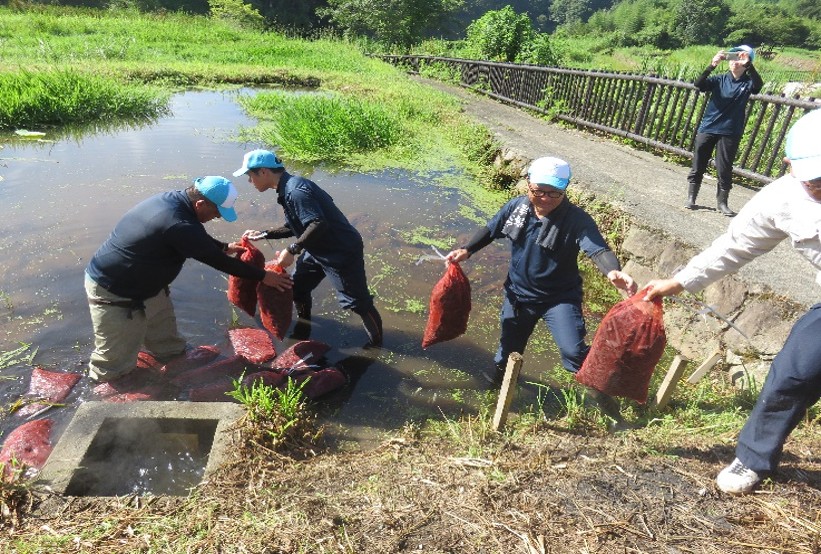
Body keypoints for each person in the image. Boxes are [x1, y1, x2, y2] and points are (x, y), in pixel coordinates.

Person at [645, 108, 821, 494]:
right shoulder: (781, 199)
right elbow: (735, 246)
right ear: (790, 166)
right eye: (818, 183)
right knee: (794, 371)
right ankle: (753, 458)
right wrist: (679, 281)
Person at [445, 157, 637, 409]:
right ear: (528, 185)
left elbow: (597, 249)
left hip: (559, 299)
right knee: (507, 353)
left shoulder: (576, 219)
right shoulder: (516, 209)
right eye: (538, 191)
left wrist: (612, 271)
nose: (545, 198)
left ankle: (607, 403)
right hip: (518, 296)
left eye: (554, 193)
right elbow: (492, 229)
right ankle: (497, 395)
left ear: (565, 189)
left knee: (573, 353)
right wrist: (467, 249)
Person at [85, 176, 292, 383]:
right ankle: (103, 395)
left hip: (150, 287)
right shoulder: (176, 222)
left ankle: (173, 372)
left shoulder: (175, 202)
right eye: (216, 212)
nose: (218, 217)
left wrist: (223, 246)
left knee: (168, 344)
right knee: (112, 363)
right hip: (115, 291)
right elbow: (217, 261)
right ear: (200, 203)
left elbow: (194, 235)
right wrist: (264, 276)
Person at [234, 149, 383, 347]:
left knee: (358, 303)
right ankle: (305, 325)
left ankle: (377, 345)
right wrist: (264, 234)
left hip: (340, 251)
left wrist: (293, 249)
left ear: (263, 172)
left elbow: (317, 223)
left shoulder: (295, 191)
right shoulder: (286, 188)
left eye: (249, 175)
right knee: (298, 288)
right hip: (317, 248)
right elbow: (297, 225)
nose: (249, 181)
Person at [686, 45, 764, 216]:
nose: (735, 62)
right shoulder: (719, 79)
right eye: (733, 57)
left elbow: (758, 86)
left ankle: (722, 203)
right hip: (708, 127)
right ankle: (691, 197)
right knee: (698, 163)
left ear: (746, 61)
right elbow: (699, 84)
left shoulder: (747, 83)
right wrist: (712, 65)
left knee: (724, 168)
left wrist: (749, 65)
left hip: (730, 131)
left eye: (740, 58)